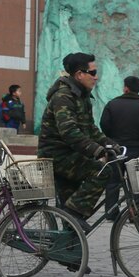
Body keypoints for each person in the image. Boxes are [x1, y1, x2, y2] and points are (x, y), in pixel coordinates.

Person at [38, 52, 120, 232]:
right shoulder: (64, 97)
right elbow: (69, 132)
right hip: (57, 157)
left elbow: (90, 129)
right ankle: (71, 213)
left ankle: (70, 255)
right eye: (93, 72)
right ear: (79, 74)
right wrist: (97, 151)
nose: (96, 76)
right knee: (101, 171)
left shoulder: (82, 97)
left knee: (74, 212)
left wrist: (110, 144)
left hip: (71, 156)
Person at [100, 76, 139, 219]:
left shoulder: (112, 104)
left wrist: (112, 139)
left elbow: (104, 125)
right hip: (137, 150)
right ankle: (135, 211)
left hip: (116, 150)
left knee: (113, 181)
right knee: (136, 182)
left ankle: (112, 212)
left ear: (125, 88)